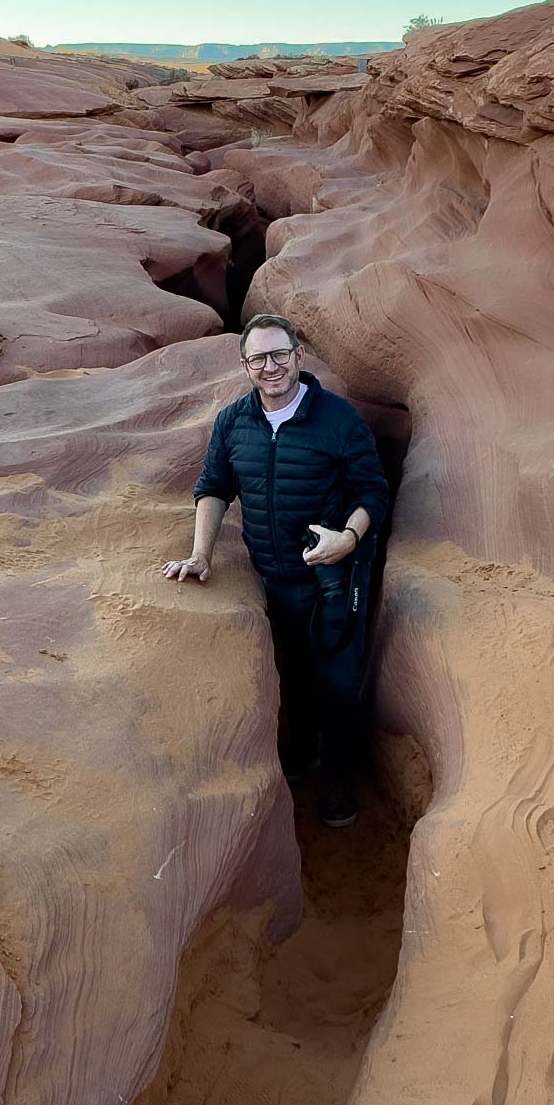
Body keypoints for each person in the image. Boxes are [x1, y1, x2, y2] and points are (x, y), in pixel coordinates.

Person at [162, 313, 391, 828]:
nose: (272, 367)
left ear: (298, 357)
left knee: (338, 681)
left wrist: (348, 539)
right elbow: (214, 485)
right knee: (294, 674)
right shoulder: (233, 422)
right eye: (260, 358)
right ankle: (302, 754)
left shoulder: (338, 419)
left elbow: (372, 491)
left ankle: (338, 780)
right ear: (245, 366)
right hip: (275, 578)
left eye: (280, 355)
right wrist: (201, 554)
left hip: (335, 579)